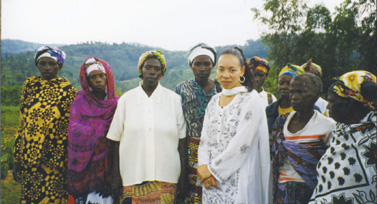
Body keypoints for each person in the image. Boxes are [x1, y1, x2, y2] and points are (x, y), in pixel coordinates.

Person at [106, 50, 186, 204]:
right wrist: (115, 176)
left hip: (167, 178)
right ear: (140, 70)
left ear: (162, 73)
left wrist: (183, 177)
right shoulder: (126, 100)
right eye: (148, 67)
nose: (152, 72)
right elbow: (115, 140)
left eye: (157, 69)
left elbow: (182, 141)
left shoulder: (174, 100)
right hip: (131, 178)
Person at [197, 47, 270, 203]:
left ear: (242, 71)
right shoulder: (214, 100)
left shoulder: (250, 99)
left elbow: (242, 143)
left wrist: (212, 171)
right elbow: (205, 140)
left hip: (237, 177)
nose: (226, 75)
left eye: (232, 70)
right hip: (210, 183)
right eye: (221, 69)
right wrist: (203, 166)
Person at [13, 46, 77, 203]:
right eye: (42, 63)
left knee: (52, 198)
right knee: (30, 196)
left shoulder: (68, 91)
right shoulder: (29, 87)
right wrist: (17, 159)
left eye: (52, 64)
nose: (47, 68)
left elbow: (72, 127)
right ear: (37, 65)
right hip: (29, 155)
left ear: (59, 66)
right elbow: (23, 123)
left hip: (54, 159)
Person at [309, 71, 377, 204]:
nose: (328, 106)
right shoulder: (340, 134)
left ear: (350, 104)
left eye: (332, 101)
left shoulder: (372, 138)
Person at [271, 73, 336, 204]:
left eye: (301, 92)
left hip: (313, 193)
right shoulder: (282, 122)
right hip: (282, 192)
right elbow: (274, 160)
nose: (294, 97)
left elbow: (331, 167)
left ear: (317, 94)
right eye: (292, 92)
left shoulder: (328, 126)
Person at [67, 57, 119, 204]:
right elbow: (74, 135)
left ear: (107, 76)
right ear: (87, 81)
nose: (98, 80)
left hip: (108, 172)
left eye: (101, 75)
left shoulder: (117, 104)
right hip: (82, 171)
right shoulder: (79, 102)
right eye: (93, 77)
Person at [174, 43, 221, 203]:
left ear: (212, 65)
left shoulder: (221, 89)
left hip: (218, 153)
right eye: (197, 64)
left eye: (206, 64)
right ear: (191, 66)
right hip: (189, 152)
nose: (202, 68)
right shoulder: (181, 90)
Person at [266, 64, 305, 136]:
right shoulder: (270, 110)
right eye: (281, 83)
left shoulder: (308, 110)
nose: (284, 87)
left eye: (289, 83)